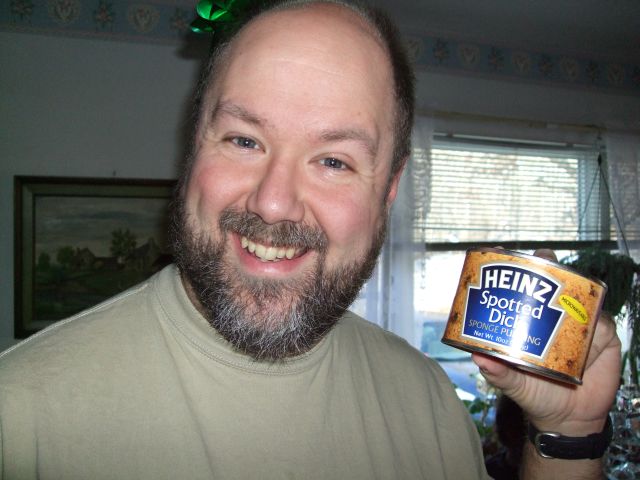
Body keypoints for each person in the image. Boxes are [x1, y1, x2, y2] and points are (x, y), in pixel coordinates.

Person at [0, 1, 621, 479]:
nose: (273, 202)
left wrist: (568, 433)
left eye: (334, 161)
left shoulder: (429, 402)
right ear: (194, 150)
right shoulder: (20, 420)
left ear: (388, 190)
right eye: (244, 140)